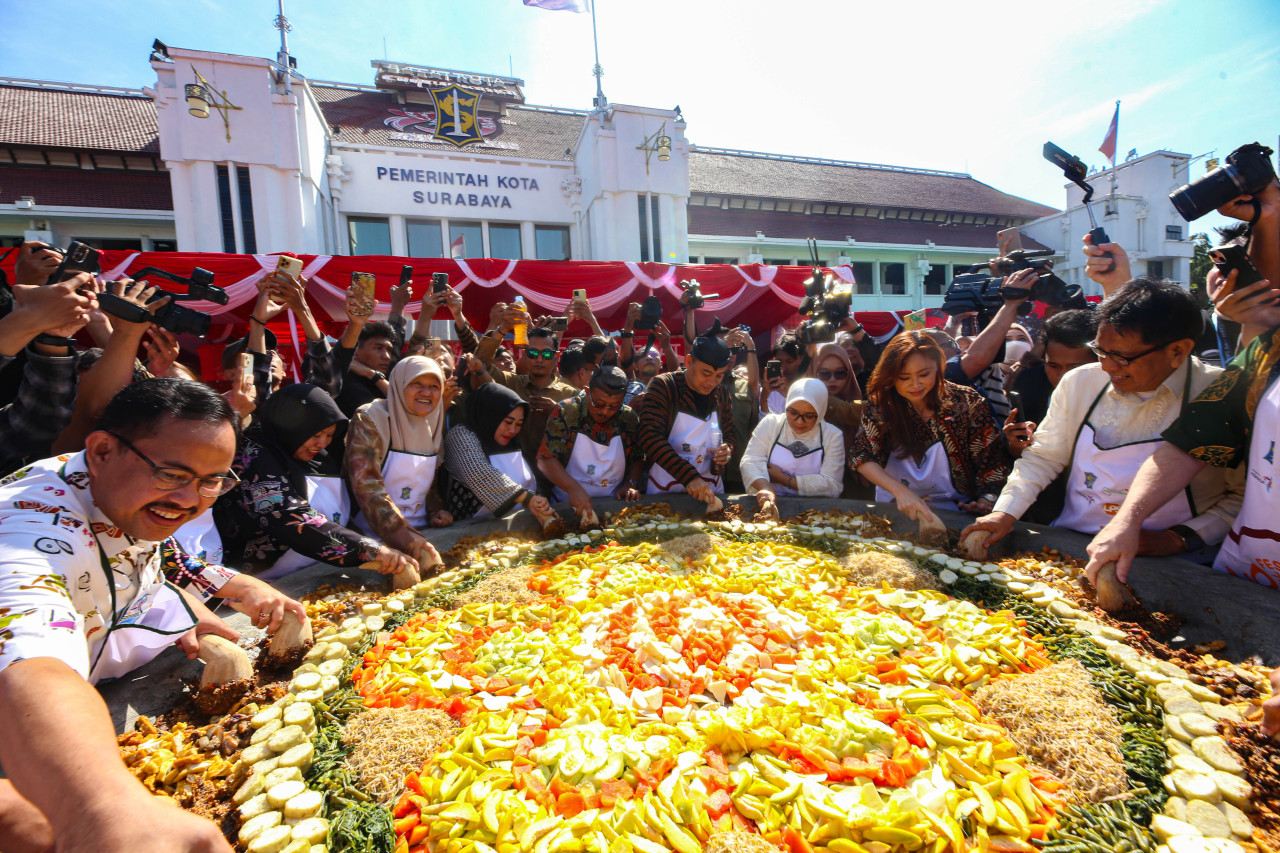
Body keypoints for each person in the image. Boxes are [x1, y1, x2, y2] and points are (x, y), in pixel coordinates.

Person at [0, 378, 305, 853]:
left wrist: (232, 590)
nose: (189, 500)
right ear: (101, 450)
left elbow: (163, 556)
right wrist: (102, 808)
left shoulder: (121, 490)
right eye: (172, 474)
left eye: (211, 481)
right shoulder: (25, 529)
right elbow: (30, 659)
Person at [965, 279, 1242, 559]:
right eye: (1100, 351)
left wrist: (1181, 537)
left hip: (1170, 560)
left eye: (1121, 357)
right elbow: (1044, 457)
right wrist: (1005, 511)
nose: (1107, 366)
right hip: (1072, 545)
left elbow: (1243, 495)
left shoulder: (1219, 394)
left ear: (1178, 351)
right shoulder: (1082, 381)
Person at [1084, 268, 1280, 586]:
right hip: (1257, 567)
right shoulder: (1264, 356)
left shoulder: (1209, 379)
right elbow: (1186, 447)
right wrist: (1128, 521)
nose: (1106, 366)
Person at [212, 383, 417, 579]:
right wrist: (369, 549)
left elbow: (339, 514)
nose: (322, 443)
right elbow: (288, 517)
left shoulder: (321, 458)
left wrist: (379, 547)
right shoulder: (253, 456)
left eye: (329, 435)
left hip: (319, 570)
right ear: (292, 425)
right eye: (316, 434)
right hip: (265, 577)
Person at [850, 331, 1010, 519]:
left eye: (924, 374)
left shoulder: (968, 402)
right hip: (896, 508)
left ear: (939, 367)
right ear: (891, 376)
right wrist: (901, 492)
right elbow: (862, 456)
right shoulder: (883, 405)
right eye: (904, 377)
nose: (915, 384)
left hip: (958, 511)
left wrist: (985, 501)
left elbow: (993, 463)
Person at [345, 356, 456, 570]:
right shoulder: (371, 418)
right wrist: (402, 535)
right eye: (417, 384)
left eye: (434, 386)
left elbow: (427, 483)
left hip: (423, 538)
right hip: (376, 542)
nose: (426, 393)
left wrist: (436, 511)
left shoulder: (432, 421)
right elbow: (366, 486)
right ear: (399, 384)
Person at [637, 332, 736, 503]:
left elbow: (729, 434)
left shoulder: (721, 393)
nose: (712, 383)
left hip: (711, 488)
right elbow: (649, 437)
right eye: (706, 373)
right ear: (689, 362)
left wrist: (727, 451)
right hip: (665, 489)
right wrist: (689, 477)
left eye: (719, 376)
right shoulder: (664, 386)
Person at [537, 366, 644, 522]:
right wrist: (573, 488)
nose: (605, 412)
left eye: (614, 406)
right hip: (566, 504)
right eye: (599, 403)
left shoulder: (628, 418)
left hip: (614, 506)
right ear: (587, 391)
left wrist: (630, 483)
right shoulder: (567, 411)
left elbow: (638, 457)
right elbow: (546, 459)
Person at [442, 380, 557, 524]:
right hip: (471, 530)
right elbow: (478, 473)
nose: (513, 430)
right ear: (491, 415)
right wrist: (527, 498)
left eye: (519, 424)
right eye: (508, 422)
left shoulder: (513, 442)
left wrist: (540, 504)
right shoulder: (460, 435)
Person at [474, 317, 578, 465]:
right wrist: (503, 328)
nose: (540, 359)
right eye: (533, 353)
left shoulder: (571, 394)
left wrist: (559, 412)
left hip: (557, 478)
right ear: (524, 355)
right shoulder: (511, 383)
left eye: (547, 354)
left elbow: (586, 432)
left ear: (556, 357)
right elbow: (479, 362)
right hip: (513, 473)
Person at [741, 378, 845, 515]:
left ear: (820, 412)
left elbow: (832, 485)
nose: (799, 421)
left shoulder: (832, 435)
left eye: (809, 416)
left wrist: (784, 479)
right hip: (769, 503)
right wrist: (765, 488)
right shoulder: (771, 424)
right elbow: (750, 460)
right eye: (793, 413)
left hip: (813, 511)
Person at [807, 342, 866, 497]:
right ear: (814, 372)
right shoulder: (809, 398)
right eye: (824, 374)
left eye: (840, 373)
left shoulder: (854, 399)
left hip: (853, 489)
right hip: (812, 488)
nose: (832, 380)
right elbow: (848, 412)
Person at [335, 320, 398, 417]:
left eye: (389, 350)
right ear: (356, 352)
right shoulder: (341, 380)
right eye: (378, 348)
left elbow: (404, 404)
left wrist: (373, 375)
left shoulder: (382, 379)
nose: (387, 356)